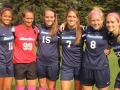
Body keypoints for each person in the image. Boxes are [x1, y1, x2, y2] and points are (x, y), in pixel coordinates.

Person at [81, 7, 110, 90]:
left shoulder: (107, 31)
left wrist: (109, 47)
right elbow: (73, 25)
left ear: (102, 20)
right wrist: (64, 24)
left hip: (102, 68)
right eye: (93, 20)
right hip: (87, 67)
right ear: (90, 21)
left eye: (98, 20)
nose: (96, 22)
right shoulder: (86, 30)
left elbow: (114, 38)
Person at [12, 7, 39, 90]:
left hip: (31, 63)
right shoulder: (15, 29)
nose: (29, 20)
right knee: (20, 88)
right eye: (27, 18)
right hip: (19, 63)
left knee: (32, 88)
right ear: (23, 18)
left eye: (31, 18)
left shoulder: (36, 30)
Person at [37, 8, 60, 90]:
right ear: (43, 17)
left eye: (51, 17)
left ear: (54, 18)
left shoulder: (59, 29)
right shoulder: (39, 28)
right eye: (47, 17)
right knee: (42, 87)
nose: (49, 19)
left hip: (53, 63)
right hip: (40, 62)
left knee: (51, 87)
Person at [60, 8, 83, 90]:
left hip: (79, 66)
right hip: (66, 67)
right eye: (69, 16)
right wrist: (64, 24)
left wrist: (108, 47)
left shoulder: (82, 30)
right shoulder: (61, 30)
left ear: (77, 18)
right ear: (66, 17)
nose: (71, 18)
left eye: (74, 17)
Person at [0, 4, 14, 90]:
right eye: (5, 16)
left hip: (10, 64)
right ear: (1, 16)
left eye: (9, 16)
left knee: (7, 88)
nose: (7, 18)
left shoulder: (12, 29)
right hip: (1, 63)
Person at [106, 12, 120, 90]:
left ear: (118, 23)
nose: (109, 24)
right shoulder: (110, 36)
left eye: (112, 22)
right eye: (107, 22)